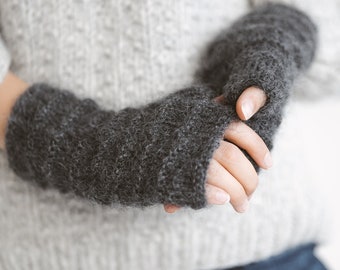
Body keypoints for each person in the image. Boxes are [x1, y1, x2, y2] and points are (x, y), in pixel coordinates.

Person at [0, 1, 331, 269]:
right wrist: (95, 145)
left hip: (275, 247)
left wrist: (276, 38)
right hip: (51, 253)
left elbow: (328, 26)